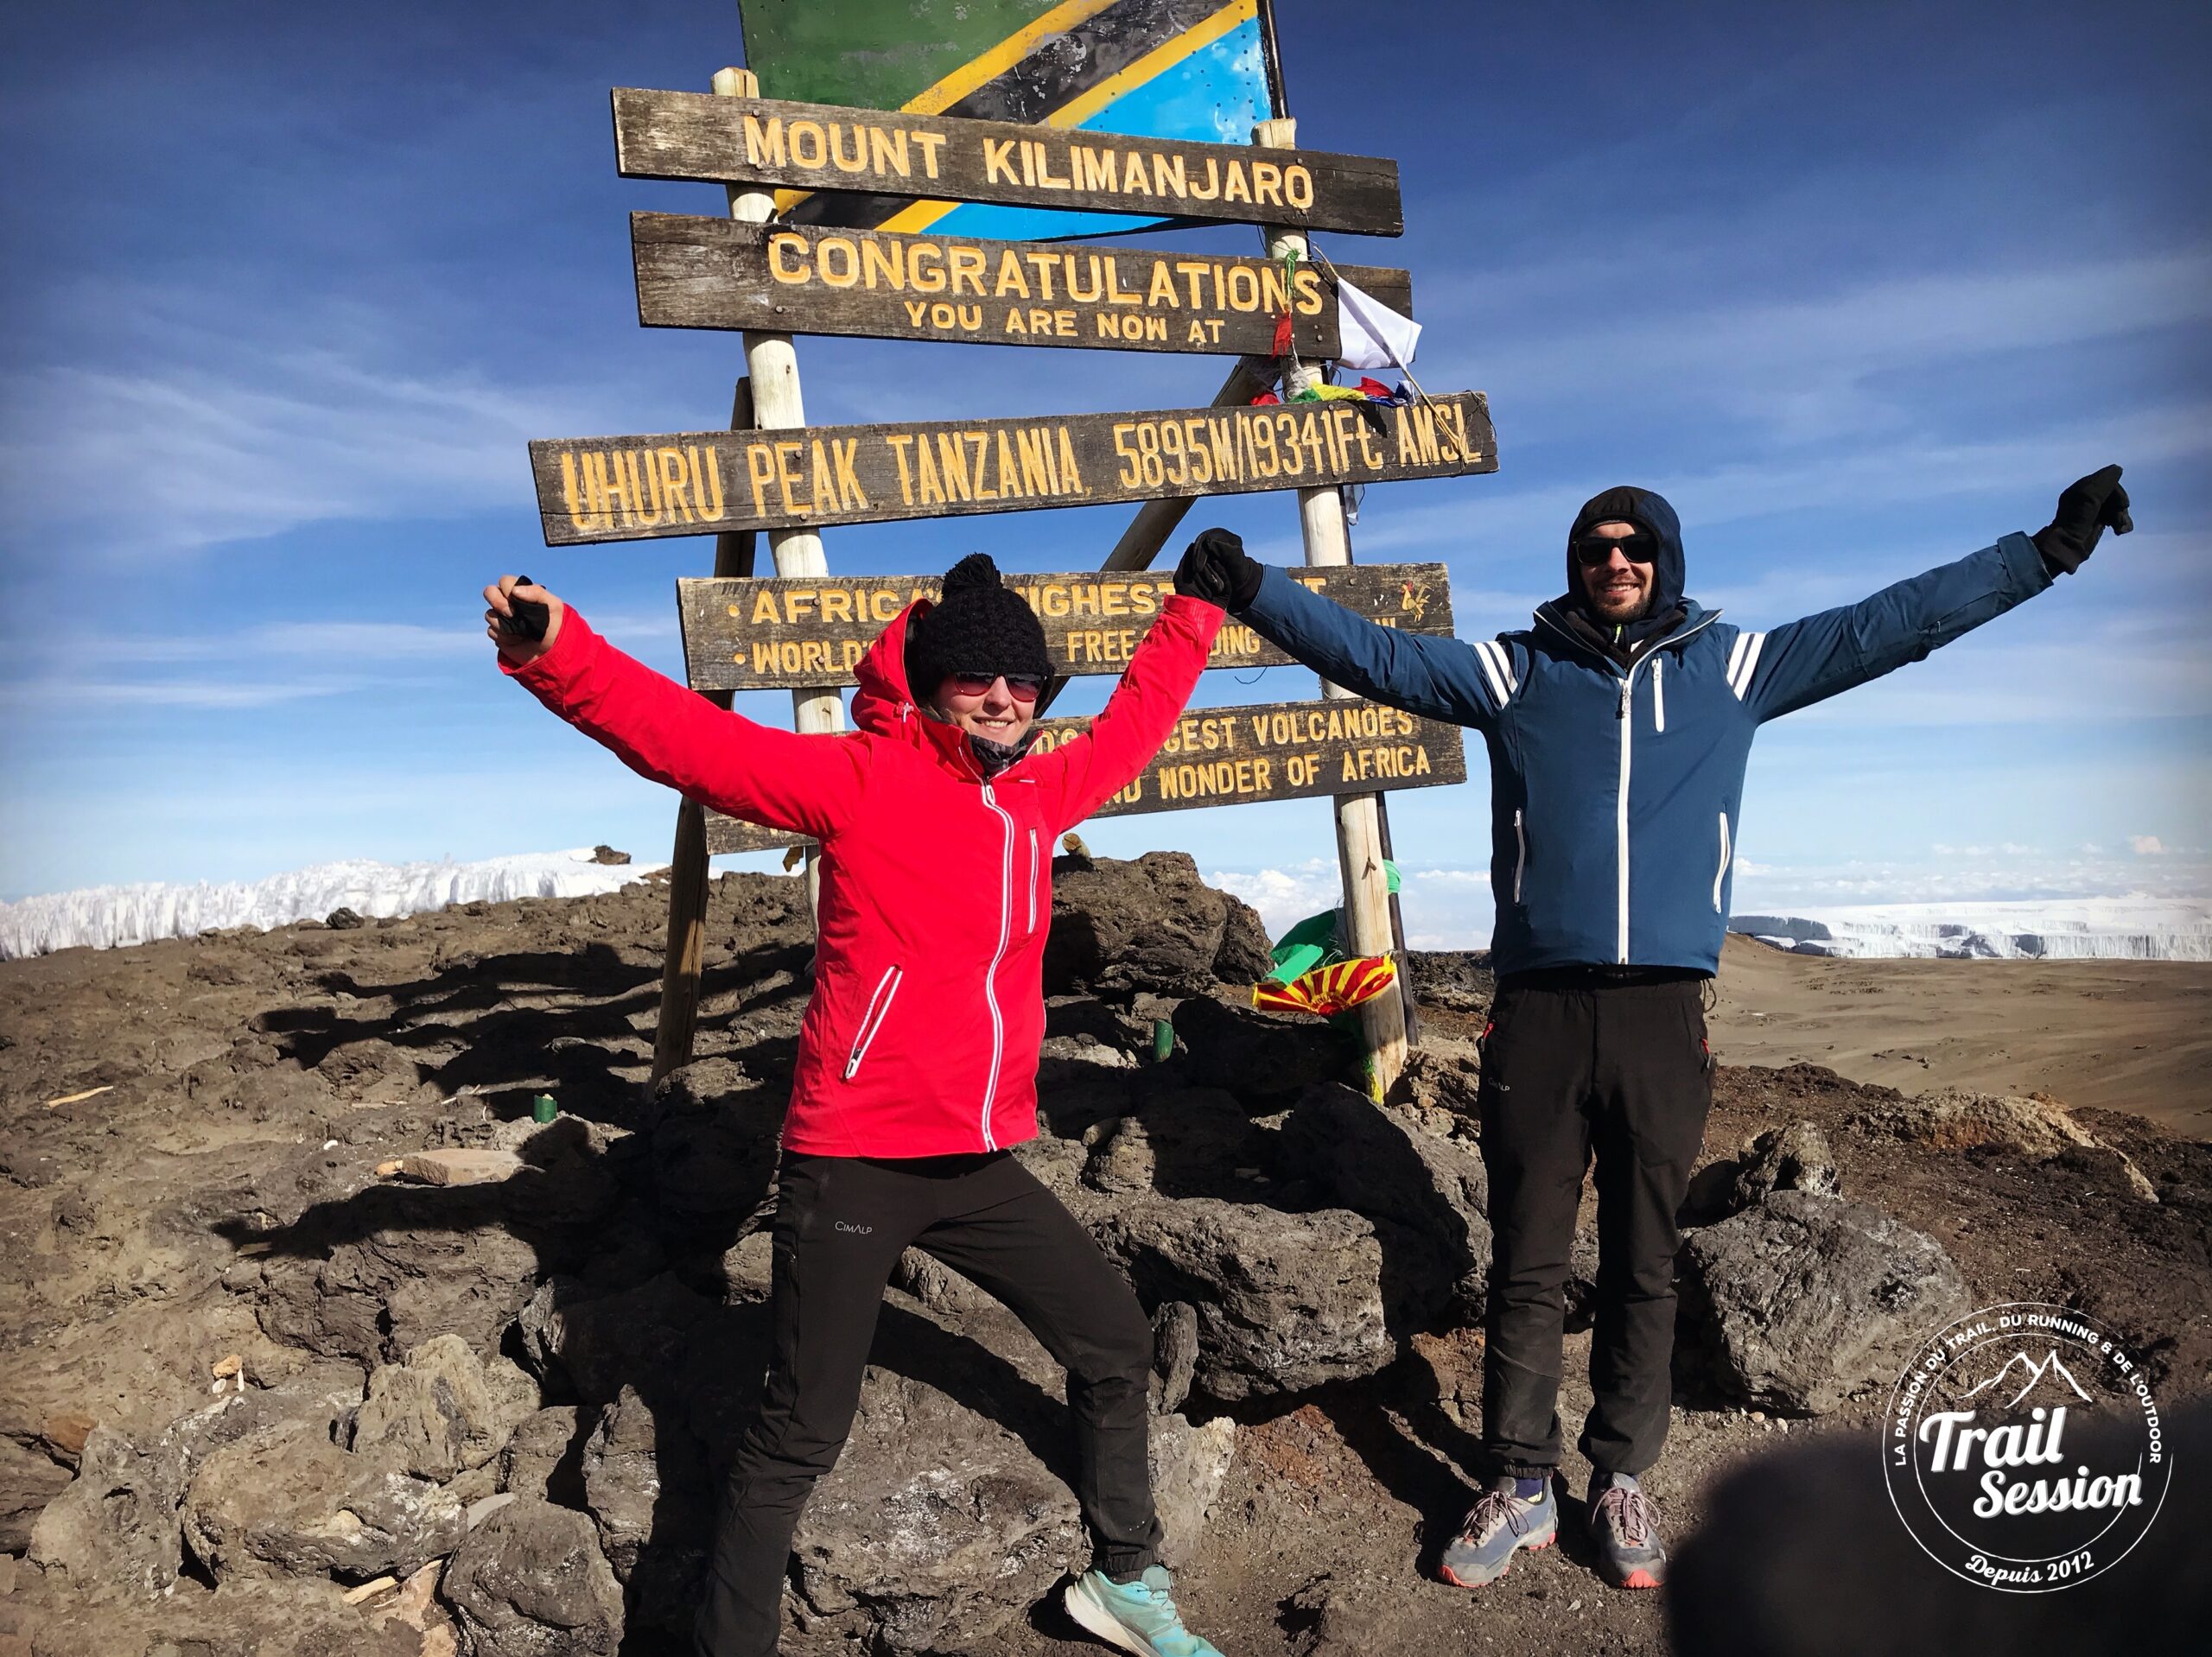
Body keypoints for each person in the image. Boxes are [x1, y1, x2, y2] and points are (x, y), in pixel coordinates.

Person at [1173, 465, 2133, 1592]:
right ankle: (1521, 1474)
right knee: (1529, 1255)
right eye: (1595, 549)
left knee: (1642, 1258)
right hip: (1536, 1012)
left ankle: (1620, 1473)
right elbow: (1380, 656)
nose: (1615, 563)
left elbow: (1897, 622)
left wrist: (2045, 551)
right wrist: (1256, 589)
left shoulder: (1734, 668)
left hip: (1663, 1017)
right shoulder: (1516, 669)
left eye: (1634, 548)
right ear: (1575, 566)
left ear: (1663, 560)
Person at [484, 551, 1233, 1657]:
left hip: (978, 1163)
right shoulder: (860, 777)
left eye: (1024, 682)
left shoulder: (1036, 792)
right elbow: (690, 742)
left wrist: (1195, 613)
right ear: (930, 683)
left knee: (1116, 1345)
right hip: (855, 1166)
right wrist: (559, 653)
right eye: (978, 678)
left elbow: (1137, 721)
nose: (1004, 699)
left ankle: (1123, 1576)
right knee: (798, 1432)